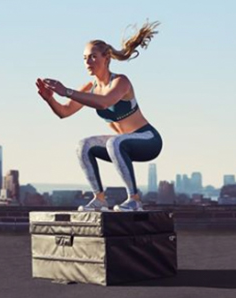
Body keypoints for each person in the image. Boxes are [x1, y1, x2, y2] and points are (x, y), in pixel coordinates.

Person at [36, 21, 163, 212]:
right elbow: (64, 112)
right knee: (84, 145)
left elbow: (105, 102)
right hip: (120, 146)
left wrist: (67, 91)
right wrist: (50, 99)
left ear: (106, 59)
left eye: (93, 57)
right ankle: (99, 199)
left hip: (148, 141)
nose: (88, 62)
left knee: (115, 142)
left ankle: (134, 200)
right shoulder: (89, 88)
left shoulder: (121, 81)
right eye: (85, 58)